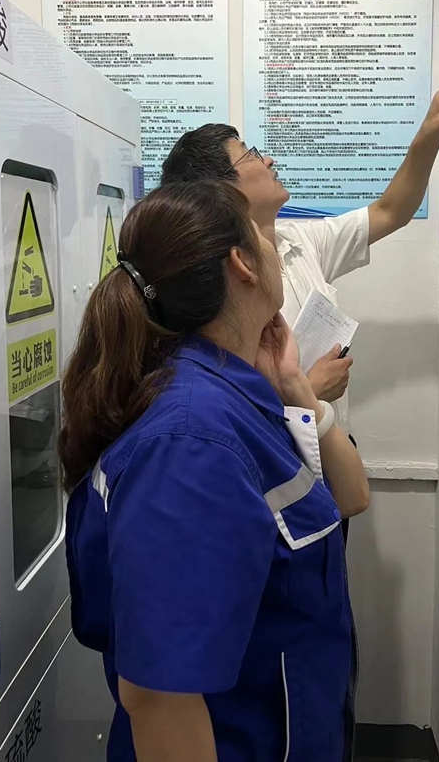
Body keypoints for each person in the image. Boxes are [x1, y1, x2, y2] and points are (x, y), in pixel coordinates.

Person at [59, 179, 369, 762]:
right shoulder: (191, 445)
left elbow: (347, 500)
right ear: (242, 265)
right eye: (262, 234)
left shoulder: (236, 394)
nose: (275, 246)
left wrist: (294, 386)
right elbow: (160, 698)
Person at [160, 67, 439, 435]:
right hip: (277, 461)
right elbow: (218, 415)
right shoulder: (212, 288)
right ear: (221, 190)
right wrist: (308, 395)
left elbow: (390, 211)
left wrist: (430, 136)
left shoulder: (301, 240)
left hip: (329, 444)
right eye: (251, 155)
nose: (268, 160)